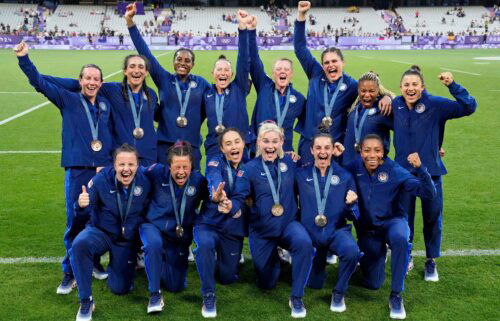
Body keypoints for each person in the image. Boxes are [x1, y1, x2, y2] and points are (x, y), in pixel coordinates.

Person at [14, 41, 113, 294]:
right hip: (77, 169)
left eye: (96, 79)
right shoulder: (67, 99)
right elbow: (39, 83)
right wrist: (24, 58)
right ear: (79, 80)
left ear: (101, 83)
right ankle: (68, 273)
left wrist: (107, 164)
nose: (92, 82)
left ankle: (93, 263)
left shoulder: (105, 105)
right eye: (87, 78)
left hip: (101, 171)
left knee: (98, 219)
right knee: (76, 221)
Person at [393, 66, 477, 281]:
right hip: (404, 175)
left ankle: (431, 261)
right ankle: (407, 255)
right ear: (400, 88)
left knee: (432, 218)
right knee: (404, 219)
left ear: (422, 87)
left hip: (431, 174)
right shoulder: (396, 105)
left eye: (414, 85)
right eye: (406, 85)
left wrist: (452, 85)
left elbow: (469, 107)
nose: (410, 88)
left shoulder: (435, 105)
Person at [222, 122, 313, 318]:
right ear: (258, 143)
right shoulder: (249, 168)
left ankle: (296, 296)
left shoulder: (290, 163)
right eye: (266, 141)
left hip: (288, 224)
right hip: (262, 230)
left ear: (282, 142)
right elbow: (239, 195)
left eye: (274, 141)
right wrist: (232, 207)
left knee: (304, 243)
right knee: (267, 282)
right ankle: (277, 259)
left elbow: (312, 174)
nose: (270, 146)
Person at [345, 134, 436, 320]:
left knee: (401, 238)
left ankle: (396, 295)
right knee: (373, 284)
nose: (372, 155)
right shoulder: (353, 168)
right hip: (369, 231)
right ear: (360, 151)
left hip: (393, 222)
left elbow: (428, 193)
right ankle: (370, 258)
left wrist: (421, 169)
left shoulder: (394, 169)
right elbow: (334, 177)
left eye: (377, 150)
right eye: (367, 150)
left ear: (383, 152)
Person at [293, 1, 391, 165]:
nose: (330, 65)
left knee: (334, 186)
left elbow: (371, 91)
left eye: (334, 61)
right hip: (310, 141)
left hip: (335, 145)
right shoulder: (315, 73)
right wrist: (301, 16)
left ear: (342, 63)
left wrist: (386, 97)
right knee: (307, 184)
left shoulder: (352, 85)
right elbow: (300, 48)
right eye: (326, 62)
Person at [71, 144, 151, 321]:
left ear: (137, 165)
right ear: (113, 165)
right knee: (80, 244)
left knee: (121, 288)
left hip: (126, 241)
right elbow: (83, 211)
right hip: (101, 232)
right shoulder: (101, 180)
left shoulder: (146, 180)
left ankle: (120, 266)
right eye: (121, 165)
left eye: (131, 165)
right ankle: (86, 300)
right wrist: (81, 205)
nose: (126, 169)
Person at [125, 2, 210, 170]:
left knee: (192, 188)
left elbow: (215, 104)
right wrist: (130, 22)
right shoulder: (164, 79)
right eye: (179, 59)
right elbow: (145, 53)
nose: (182, 63)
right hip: (165, 145)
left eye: (187, 61)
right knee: (162, 186)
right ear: (173, 62)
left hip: (191, 145)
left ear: (193, 64)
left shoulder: (202, 84)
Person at [41, 54, 159, 166]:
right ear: (125, 71)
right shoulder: (112, 90)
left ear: (146, 72)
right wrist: (38, 77)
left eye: (141, 67)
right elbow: (78, 84)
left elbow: (159, 116)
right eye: (132, 66)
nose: (136, 70)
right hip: (121, 156)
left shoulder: (151, 95)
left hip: (148, 156)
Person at [296, 132, 360, 313]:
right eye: (318, 148)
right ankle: (314, 262)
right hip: (310, 234)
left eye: (326, 148)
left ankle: (339, 292)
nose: (322, 152)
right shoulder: (300, 174)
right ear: (311, 150)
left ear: (333, 150)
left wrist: (351, 205)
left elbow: (355, 215)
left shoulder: (345, 176)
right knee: (314, 284)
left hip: (336, 231)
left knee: (352, 252)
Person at [140, 141, 207, 314]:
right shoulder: (155, 172)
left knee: (176, 286)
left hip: (178, 238)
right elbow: (132, 172)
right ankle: (154, 294)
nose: (181, 172)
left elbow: (211, 201)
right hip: (153, 226)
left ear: (192, 165)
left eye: (185, 167)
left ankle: (158, 261)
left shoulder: (199, 181)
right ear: (169, 165)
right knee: (153, 244)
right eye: (176, 167)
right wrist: (107, 173)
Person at [194, 128, 249, 318]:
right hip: (209, 224)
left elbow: (243, 195)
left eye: (236, 142)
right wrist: (216, 196)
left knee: (227, 278)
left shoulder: (250, 166)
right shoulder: (214, 162)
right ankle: (208, 295)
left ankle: (218, 259)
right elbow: (213, 177)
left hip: (232, 228)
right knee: (206, 246)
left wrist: (232, 205)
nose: (233, 146)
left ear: (243, 144)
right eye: (228, 144)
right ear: (222, 149)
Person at [247, 15, 305, 153]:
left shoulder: (299, 99)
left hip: (284, 152)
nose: (282, 72)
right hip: (259, 150)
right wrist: (251, 31)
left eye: (286, 69)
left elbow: (309, 126)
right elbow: (254, 59)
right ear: (273, 73)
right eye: (278, 69)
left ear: (291, 74)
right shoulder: (264, 85)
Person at [203, 10, 252, 162]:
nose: (222, 73)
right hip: (214, 148)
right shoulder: (206, 93)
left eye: (226, 70)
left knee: (242, 185)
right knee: (215, 184)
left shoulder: (239, 88)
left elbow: (244, 60)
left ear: (231, 75)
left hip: (239, 147)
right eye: (219, 69)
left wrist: (242, 29)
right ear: (213, 73)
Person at [343, 71, 394, 166]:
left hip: (371, 169)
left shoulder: (383, 108)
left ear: (378, 90)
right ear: (358, 90)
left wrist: (389, 97)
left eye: (371, 91)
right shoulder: (355, 106)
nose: (367, 95)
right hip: (349, 167)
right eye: (363, 91)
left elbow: (405, 119)